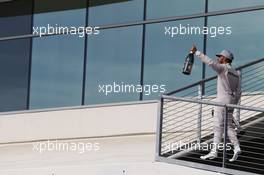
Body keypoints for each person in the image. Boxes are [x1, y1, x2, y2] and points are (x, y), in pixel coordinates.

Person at [190, 45, 241, 162]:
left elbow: (210, 62)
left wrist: (197, 52)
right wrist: (234, 104)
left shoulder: (223, 68)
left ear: (225, 58)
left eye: (220, 57)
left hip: (221, 101)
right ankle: (236, 147)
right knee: (228, 126)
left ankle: (214, 152)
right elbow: (239, 92)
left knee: (217, 126)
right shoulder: (237, 73)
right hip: (231, 101)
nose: (219, 58)